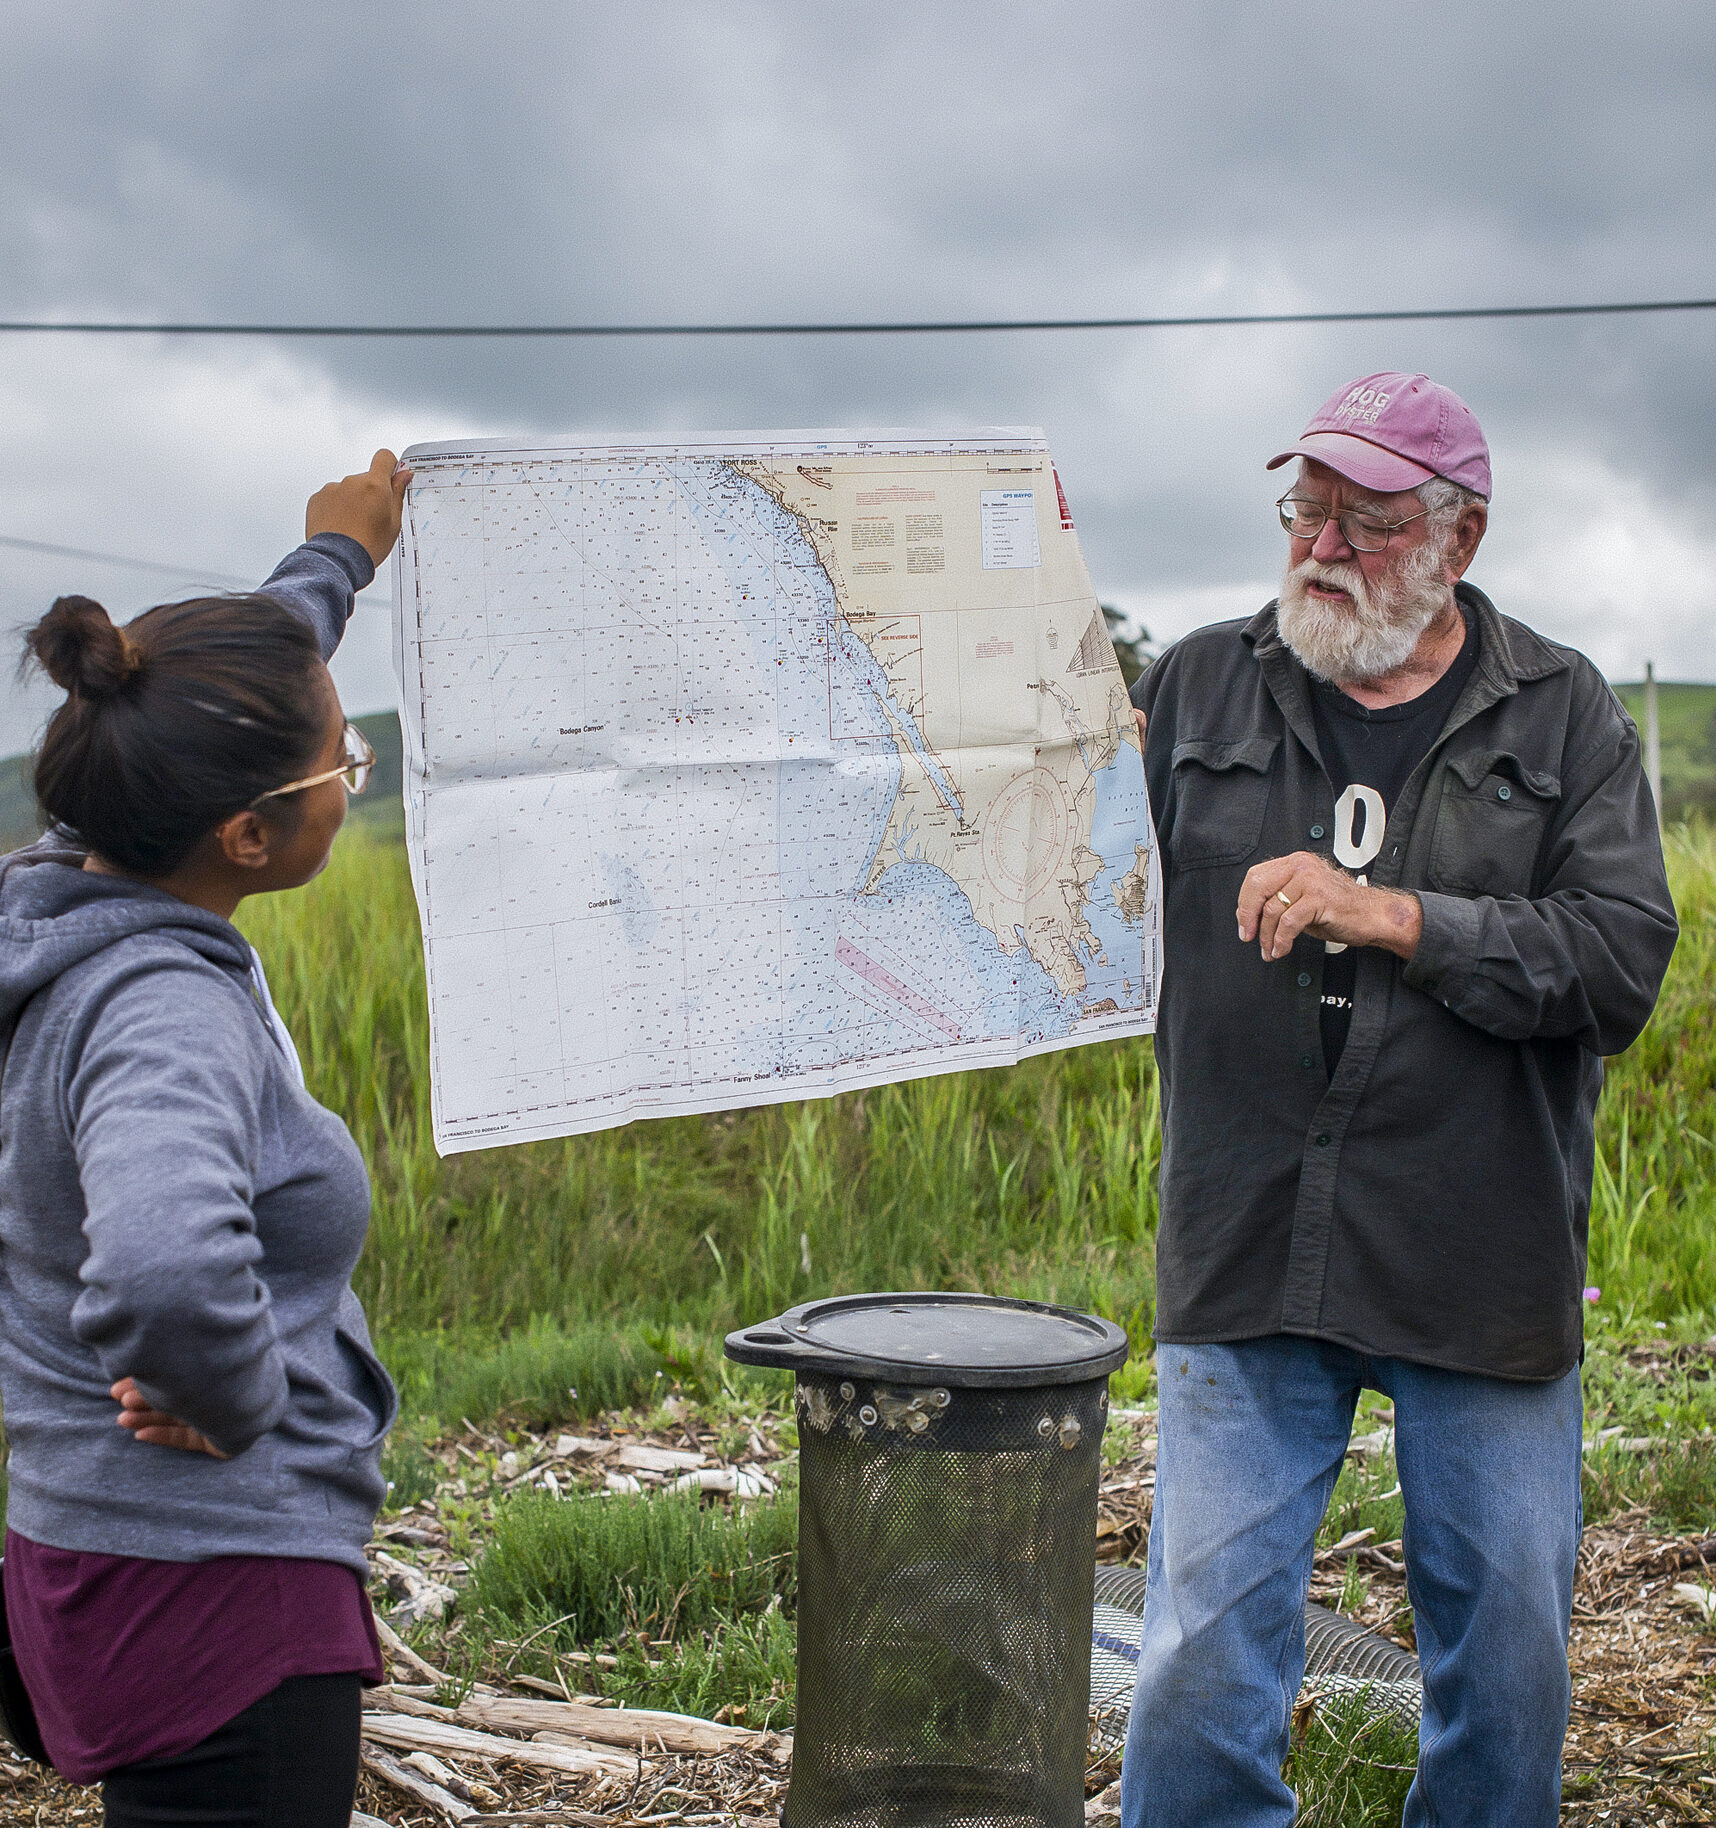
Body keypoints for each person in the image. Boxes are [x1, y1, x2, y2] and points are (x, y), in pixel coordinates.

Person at [1120, 374, 1676, 1828]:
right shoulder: (1196, 683)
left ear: (1459, 541)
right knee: (1195, 1660)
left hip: (1473, 1256)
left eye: (1365, 524)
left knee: (1508, 1660)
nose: (1320, 545)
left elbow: (1619, 963)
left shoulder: (1562, 719)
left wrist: (1394, 919)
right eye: (1306, 511)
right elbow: (1072, 897)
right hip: (1246, 1233)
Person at [0, 450, 410, 1824]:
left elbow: (214, 688)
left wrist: (334, 564)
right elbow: (172, 1269)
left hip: (94, 1540)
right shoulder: (163, 1009)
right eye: (342, 761)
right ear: (249, 833)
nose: (351, 777)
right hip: (209, 1586)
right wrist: (232, 1393)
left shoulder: (82, 860)